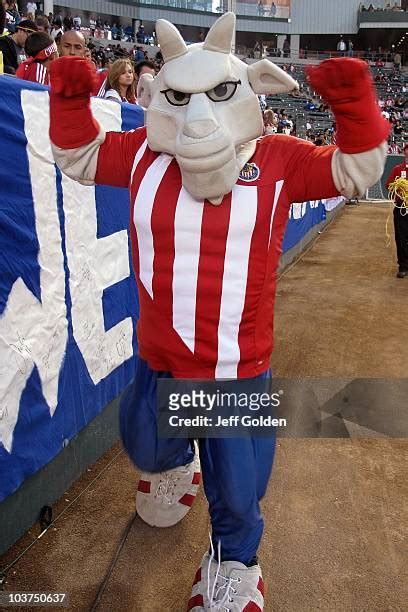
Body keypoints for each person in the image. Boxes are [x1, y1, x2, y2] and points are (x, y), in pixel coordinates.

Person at [48, 13, 388, 610]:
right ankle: (177, 461)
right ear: (161, 99)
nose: (198, 115)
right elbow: (78, 158)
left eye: (218, 94)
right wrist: (71, 95)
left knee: (240, 491)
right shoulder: (143, 156)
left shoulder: (278, 158)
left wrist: (355, 104)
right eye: (180, 97)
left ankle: (235, 563)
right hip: (162, 355)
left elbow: (356, 171)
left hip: (237, 365)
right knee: (146, 446)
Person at [386, 143, 408, 278]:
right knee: (401, 237)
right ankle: (403, 266)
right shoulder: (397, 169)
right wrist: (399, 195)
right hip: (401, 208)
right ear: (404, 152)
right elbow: (389, 185)